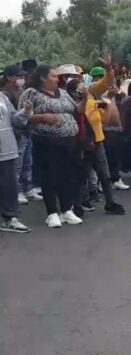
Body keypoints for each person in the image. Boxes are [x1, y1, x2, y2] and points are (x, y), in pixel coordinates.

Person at [19, 65, 84, 228]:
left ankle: (66, 210)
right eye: (54, 76)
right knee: (50, 175)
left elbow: (78, 110)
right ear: (43, 78)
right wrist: (41, 117)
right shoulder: (31, 93)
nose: (57, 79)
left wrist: (86, 98)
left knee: (67, 175)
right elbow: (20, 117)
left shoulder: (62, 93)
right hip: (46, 140)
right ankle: (52, 212)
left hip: (68, 140)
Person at [75, 63, 126, 216]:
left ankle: (110, 202)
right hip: (83, 143)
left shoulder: (95, 99)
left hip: (98, 141)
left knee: (104, 174)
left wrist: (109, 67)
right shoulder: (81, 103)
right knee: (82, 174)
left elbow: (103, 120)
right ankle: (80, 203)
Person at [2, 65, 42, 205]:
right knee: (17, 165)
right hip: (16, 134)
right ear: (9, 77)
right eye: (19, 76)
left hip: (27, 130)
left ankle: (28, 188)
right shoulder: (5, 94)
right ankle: (17, 190)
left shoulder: (21, 90)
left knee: (27, 162)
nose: (22, 79)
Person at [0, 91, 33, 233]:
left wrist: (26, 111)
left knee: (9, 186)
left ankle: (10, 218)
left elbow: (14, 120)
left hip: (5, 150)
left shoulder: (2, 97)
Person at [102, 83, 130, 190]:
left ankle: (116, 179)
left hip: (117, 129)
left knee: (117, 156)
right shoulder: (103, 97)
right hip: (107, 130)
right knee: (109, 157)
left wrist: (117, 92)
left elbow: (124, 99)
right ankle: (106, 180)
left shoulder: (117, 97)